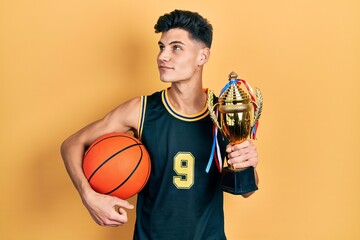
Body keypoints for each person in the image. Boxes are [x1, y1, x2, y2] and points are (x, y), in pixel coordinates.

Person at [61, 9, 259, 239]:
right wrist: (89, 196)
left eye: (176, 47)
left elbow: (247, 191)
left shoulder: (223, 112)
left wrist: (248, 163)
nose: (163, 56)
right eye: (162, 47)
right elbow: (72, 144)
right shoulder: (142, 110)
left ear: (202, 57)